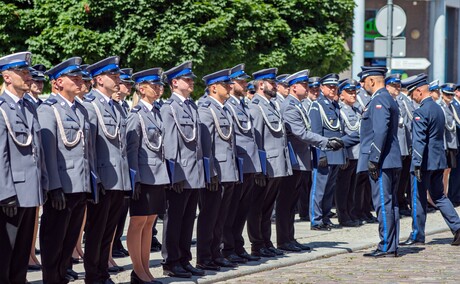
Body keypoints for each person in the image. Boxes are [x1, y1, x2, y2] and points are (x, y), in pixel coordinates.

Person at [37, 57, 95, 284]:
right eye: (74, 77)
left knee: (70, 239)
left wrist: (91, 182)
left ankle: (61, 277)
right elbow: (48, 151)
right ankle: (51, 279)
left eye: (80, 77)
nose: (80, 80)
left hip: (80, 184)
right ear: (59, 82)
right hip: (62, 185)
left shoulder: (80, 110)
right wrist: (53, 186)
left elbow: (86, 150)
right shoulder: (48, 109)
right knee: (54, 239)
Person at [278, 70, 342, 251]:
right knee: (286, 203)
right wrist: (326, 143)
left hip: (300, 161)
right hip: (293, 160)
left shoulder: (299, 105)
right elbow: (301, 133)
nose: (306, 88)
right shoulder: (290, 106)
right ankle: (284, 240)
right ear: (293, 87)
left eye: (307, 84)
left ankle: (289, 238)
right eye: (303, 85)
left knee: (291, 203)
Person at [83, 56, 132, 284]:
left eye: (117, 75)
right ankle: (94, 274)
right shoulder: (90, 104)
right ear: (99, 79)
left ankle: (102, 271)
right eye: (113, 76)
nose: (117, 79)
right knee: (96, 231)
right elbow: (89, 146)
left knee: (109, 231)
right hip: (103, 178)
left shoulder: (115, 106)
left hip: (118, 177)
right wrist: (95, 179)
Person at [0, 51, 48, 284]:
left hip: (31, 191)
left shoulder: (29, 107)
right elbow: (1, 155)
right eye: (23, 73)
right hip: (12, 194)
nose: (29, 77)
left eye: (28, 73)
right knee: (4, 254)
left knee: (21, 254)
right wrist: (5, 192)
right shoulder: (1, 108)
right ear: (7, 77)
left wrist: (44, 183)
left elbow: (37, 150)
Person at [399, 73, 460, 246]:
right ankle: (457, 227)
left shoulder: (421, 111)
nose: (413, 98)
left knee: (417, 197)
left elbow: (419, 140)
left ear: (419, 91)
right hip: (438, 160)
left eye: (413, 94)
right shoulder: (437, 109)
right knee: (440, 196)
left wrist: (416, 163)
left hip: (424, 162)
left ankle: (417, 234)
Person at [160, 61, 205, 278]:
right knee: (175, 218)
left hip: (194, 172)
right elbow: (169, 143)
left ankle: (185, 258)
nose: (191, 82)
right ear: (175, 83)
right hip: (180, 172)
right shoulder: (169, 108)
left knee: (188, 219)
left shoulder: (191, 105)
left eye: (191, 79)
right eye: (187, 79)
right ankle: (171, 261)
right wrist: (173, 173)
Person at [126, 68, 167, 284]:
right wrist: (135, 179)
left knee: (150, 223)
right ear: (142, 89)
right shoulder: (136, 115)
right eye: (154, 85)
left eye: (160, 85)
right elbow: (132, 149)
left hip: (158, 174)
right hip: (144, 175)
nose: (159, 88)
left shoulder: (156, 112)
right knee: (138, 222)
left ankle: (145, 270)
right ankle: (138, 270)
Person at [196, 68, 239, 270]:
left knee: (221, 216)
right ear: (214, 87)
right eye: (226, 84)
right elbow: (206, 145)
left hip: (228, 170)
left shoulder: (224, 108)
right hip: (216, 173)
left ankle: (216, 252)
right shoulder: (206, 109)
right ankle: (204, 256)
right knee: (209, 216)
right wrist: (210, 171)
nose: (230, 87)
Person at [358, 66, 402, 258]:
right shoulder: (384, 98)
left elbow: (381, 131)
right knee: (390, 204)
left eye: (364, 81)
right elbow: (366, 131)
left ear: (372, 81)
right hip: (389, 160)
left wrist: (374, 160)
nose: (362, 84)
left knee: (383, 204)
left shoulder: (380, 99)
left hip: (382, 161)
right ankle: (391, 245)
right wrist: (341, 142)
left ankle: (386, 246)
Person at [222, 64, 264, 263]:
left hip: (248, 164)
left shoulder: (241, 104)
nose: (245, 84)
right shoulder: (227, 105)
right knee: (230, 210)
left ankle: (237, 245)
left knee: (242, 210)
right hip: (236, 164)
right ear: (231, 84)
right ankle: (227, 247)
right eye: (241, 81)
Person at [247, 68, 291, 258]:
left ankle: (266, 241)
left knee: (267, 206)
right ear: (261, 84)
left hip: (277, 163)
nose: (275, 86)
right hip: (266, 166)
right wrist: (259, 168)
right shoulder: (256, 107)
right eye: (272, 83)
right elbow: (255, 139)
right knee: (258, 207)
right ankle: (257, 244)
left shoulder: (272, 105)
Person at [308, 73, 348, 230]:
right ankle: (316, 220)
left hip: (336, 154)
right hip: (324, 154)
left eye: (335, 87)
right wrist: (321, 154)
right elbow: (316, 133)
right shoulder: (317, 106)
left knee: (329, 190)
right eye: (330, 87)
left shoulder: (335, 105)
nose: (333, 89)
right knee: (318, 189)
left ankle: (325, 217)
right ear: (322, 88)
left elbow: (340, 132)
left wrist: (343, 154)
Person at [25, 63, 46, 272]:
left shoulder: (37, 104)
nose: (38, 84)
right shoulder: (28, 104)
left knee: (34, 216)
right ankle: (29, 253)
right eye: (35, 80)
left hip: (38, 167)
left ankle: (31, 252)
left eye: (41, 81)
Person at [111, 68, 135, 262]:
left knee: (121, 212)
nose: (126, 87)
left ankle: (116, 241)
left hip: (124, 168)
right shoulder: (115, 106)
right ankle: (113, 244)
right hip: (112, 169)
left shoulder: (123, 106)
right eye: (123, 83)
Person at [335, 79, 362, 227]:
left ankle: (351, 213)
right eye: (350, 92)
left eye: (354, 92)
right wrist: (342, 154)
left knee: (353, 187)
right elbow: (340, 134)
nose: (353, 95)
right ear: (341, 95)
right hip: (348, 154)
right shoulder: (339, 110)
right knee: (343, 187)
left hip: (358, 154)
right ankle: (343, 215)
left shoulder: (357, 110)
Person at [386, 74, 414, 218]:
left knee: (402, 178)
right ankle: (397, 203)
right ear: (387, 86)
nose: (397, 88)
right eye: (394, 85)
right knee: (394, 179)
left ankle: (400, 202)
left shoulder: (402, 100)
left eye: (399, 86)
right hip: (394, 145)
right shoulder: (387, 100)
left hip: (404, 145)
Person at [298, 76, 321, 221]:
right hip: (305, 148)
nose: (315, 92)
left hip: (312, 149)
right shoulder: (303, 104)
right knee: (303, 184)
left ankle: (307, 210)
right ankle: (304, 211)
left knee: (310, 182)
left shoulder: (316, 104)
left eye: (316, 89)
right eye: (312, 89)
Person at [438, 83, 458, 196]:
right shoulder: (440, 106)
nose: (449, 97)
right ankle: (441, 194)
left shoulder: (451, 106)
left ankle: (444, 194)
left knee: (448, 170)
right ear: (442, 94)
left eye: (451, 95)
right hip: (445, 142)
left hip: (451, 143)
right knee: (443, 171)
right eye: (447, 95)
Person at [450, 84, 460, 207]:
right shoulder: (453, 105)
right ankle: (454, 196)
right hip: (456, 142)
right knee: (455, 172)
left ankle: (457, 195)